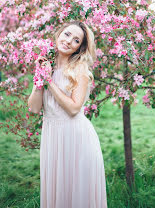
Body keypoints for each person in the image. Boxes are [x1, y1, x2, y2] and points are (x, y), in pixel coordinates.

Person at [28, 20, 108, 208]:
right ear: (59, 34)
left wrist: (48, 80)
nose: (68, 41)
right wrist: (40, 78)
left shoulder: (80, 70)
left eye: (76, 40)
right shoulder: (46, 65)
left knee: (76, 195)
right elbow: (33, 108)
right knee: (58, 194)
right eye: (67, 34)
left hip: (76, 138)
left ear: (79, 48)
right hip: (53, 136)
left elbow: (73, 109)